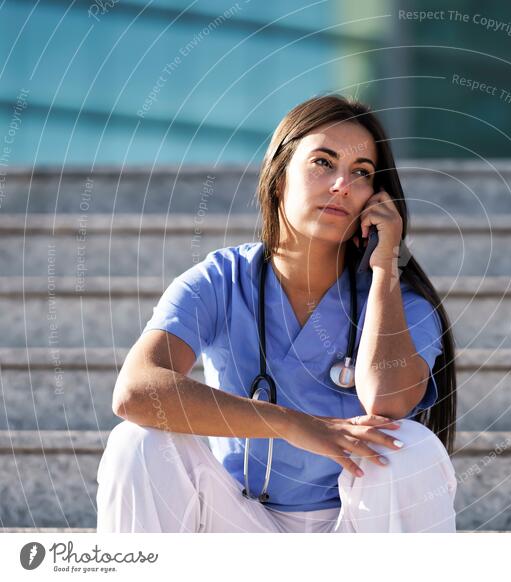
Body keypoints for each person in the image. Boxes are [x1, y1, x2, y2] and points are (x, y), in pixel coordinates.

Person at [96, 94, 459, 533]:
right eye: (323, 162)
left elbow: (389, 402)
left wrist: (385, 268)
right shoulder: (221, 280)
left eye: (361, 172)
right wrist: (292, 424)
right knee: (138, 441)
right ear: (278, 175)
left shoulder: (400, 304)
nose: (341, 184)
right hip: (239, 525)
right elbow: (136, 391)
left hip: (349, 532)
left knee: (412, 447)